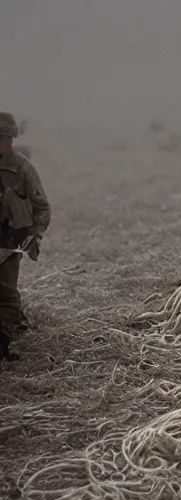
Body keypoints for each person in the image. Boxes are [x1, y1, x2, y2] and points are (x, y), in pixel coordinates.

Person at [0, 112, 52, 360]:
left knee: (7, 297)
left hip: (9, 245)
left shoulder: (22, 169)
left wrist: (36, 235)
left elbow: (42, 208)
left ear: (12, 138)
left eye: (5, 137)